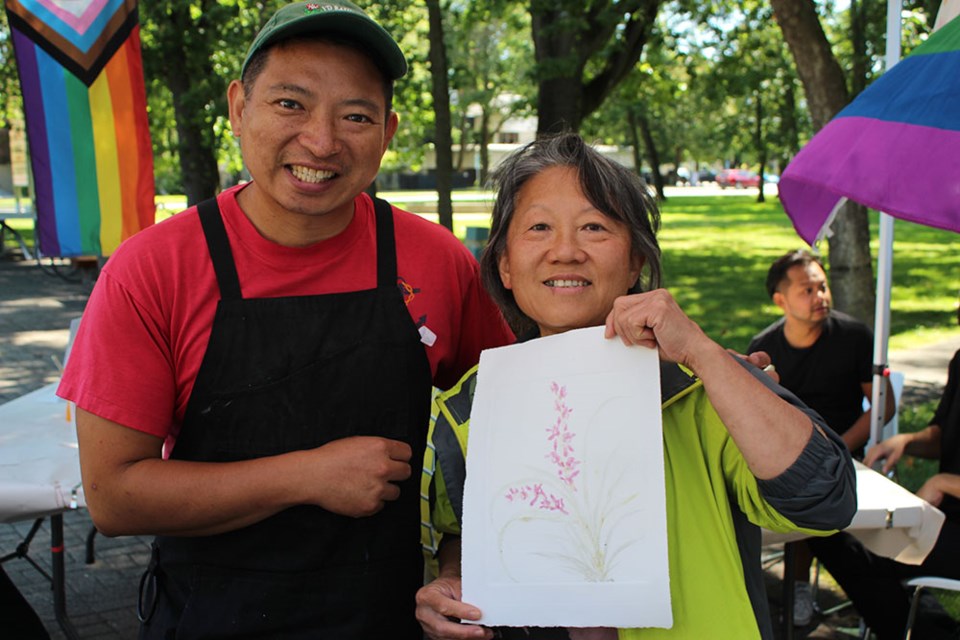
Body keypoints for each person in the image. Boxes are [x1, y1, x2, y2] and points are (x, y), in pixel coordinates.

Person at [56, 2, 513, 637]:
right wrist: (308, 476)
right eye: (290, 104)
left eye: (356, 115)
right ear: (239, 107)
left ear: (387, 131)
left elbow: (508, 440)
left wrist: (460, 566)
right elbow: (113, 495)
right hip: (208, 617)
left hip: (390, 615)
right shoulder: (151, 270)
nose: (322, 142)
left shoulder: (434, 260)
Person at [415, 133, 856, 640]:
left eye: (594, 227)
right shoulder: (468, 410)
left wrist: (705, 355)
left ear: (635, 263)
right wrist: (451, 581)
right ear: (506, 265)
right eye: (539, 227)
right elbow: (460, 532)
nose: (565, 251)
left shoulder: (700, 385)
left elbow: (827, 498)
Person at [747, 249, 895, 627]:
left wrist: (840, 447)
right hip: (786, 461)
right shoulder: (764, 348)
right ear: (780, 300)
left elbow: (884, 406)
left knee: (813, 499)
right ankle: (798, 591)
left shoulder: (854, 336)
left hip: (849, 457)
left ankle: (797, 588)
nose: (820, 296)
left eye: (823, 286)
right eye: (807, 290)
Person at [810, 305, 960, 639]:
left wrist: (944, 481)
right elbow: (942, 435)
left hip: (948, 525)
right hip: (945, 519)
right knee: (835, 536)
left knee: (861, 551)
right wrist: (906, 441)